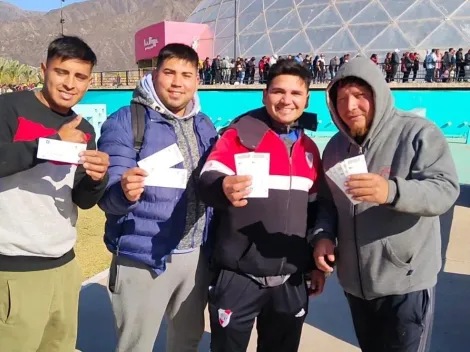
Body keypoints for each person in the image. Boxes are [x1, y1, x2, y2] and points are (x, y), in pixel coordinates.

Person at [311, 56, 460, 352]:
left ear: (378, 93)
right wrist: (323, 236)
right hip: (356, 284)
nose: (350, 106)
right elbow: (327, 203)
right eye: (341, 99)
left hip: (406, 280)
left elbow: (445, 190)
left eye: (359, 95)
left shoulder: (418, 133)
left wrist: (390, 191)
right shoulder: (335, 148)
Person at [198, 59, 327, 352]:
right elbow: (207, 179)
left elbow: (315, 211)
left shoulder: (310, 150)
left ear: (307, 98)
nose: (287, 100)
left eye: (296, 94)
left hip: (291, 280)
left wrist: (313, 268)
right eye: (278, 91)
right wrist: (222, 186)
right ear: (264, 94)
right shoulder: (238, 136)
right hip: (238, 275)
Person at [97, 43, 218, 352]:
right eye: (169, 72)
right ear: (154, 74)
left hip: (195, 256)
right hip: (143, 256)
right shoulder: (126, 121)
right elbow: (107, 196)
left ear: (197, 80)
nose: (177, 82)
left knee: (187, 341)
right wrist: (123, 191)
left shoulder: (204, 125)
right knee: (135, 345)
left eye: (186, 75)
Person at [0, 35, 109, 351]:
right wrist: (49, 145)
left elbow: (82, 199)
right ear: (44, 69)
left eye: (80, 76)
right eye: (62, 72)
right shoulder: (9, 108)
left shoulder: (83, 128)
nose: (70, 83)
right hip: (14, 270)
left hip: (64, 266)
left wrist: (96, 178)